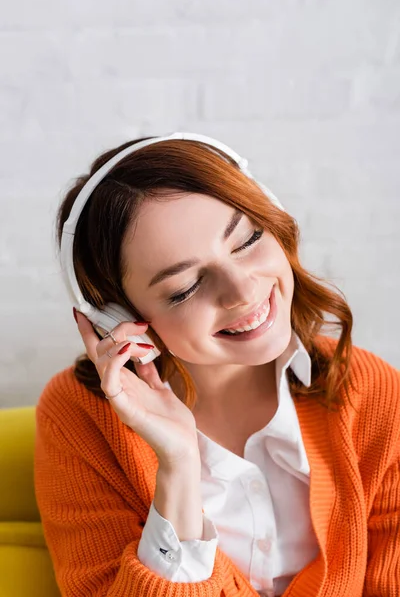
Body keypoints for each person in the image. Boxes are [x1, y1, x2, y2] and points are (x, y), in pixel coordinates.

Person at [34, 134, 400, 597]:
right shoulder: (79, 417)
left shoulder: (373, 392)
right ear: (121, 319)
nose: (243, 291)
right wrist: (178, 469)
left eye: (247, 240)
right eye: (185, 287)